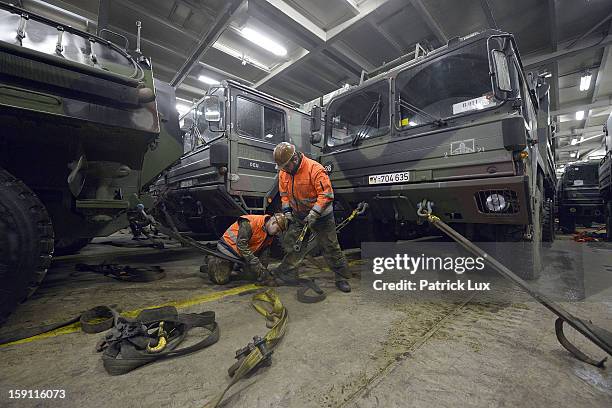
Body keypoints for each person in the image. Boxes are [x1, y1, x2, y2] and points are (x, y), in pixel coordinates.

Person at [273, 142, 351, 292]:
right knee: (292, 244)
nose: (283, 170)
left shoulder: (315, 169)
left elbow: (326, 195)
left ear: (294, 159)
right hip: (298, 214)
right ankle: (288, 275)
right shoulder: (284, 172)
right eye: (282, 167)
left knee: (330, 247)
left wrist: (314, 213)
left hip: (322, 216)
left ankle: (341, 277)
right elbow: (284, 194)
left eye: (285, 166)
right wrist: (287, 211)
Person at [207, 213, 288, 285]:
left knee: (251, 277)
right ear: (273, 222)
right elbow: (241, 245)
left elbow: (264, 253)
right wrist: (255, 263)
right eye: (277, 230)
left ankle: (234, 266)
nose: (277, 233)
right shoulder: (250, 222)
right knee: (220, 280)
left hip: (242, 256)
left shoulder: (269, 234)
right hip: (227, 250)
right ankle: (212, 260)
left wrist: (263, 272)